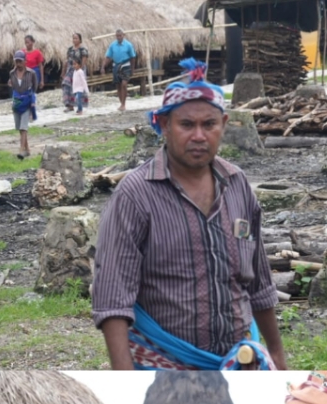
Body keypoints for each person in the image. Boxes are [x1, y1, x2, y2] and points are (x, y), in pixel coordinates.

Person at [93, 59, 286, 371]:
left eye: (209, 125)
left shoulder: (238, 185)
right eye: (186, 125)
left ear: (223, 124)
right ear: (164, 125)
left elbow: (260, 284)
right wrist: (124, 375)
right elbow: (113, 298)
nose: (199, 136)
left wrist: (276, 355)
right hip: (164, 363)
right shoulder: (136, 194)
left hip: (241, 362)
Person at [9, 50, 38, 160]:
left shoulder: (31, 73)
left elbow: (35, 87)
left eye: (20, 61)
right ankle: (28, 149)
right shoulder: (11, 73)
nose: (18, 64)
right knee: (19, 128)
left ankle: (21, 150)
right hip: (16, 102)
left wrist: (30, 98)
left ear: (25, 61)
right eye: (16, 61)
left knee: (24, 127)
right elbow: (12, 86)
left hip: (27, 102)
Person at [103, 29, 137, 110]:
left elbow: (133, 57)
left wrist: (132, 69)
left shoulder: (128, 45)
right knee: (118, 85)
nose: (119, 37)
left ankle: (124, 104)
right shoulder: (112, 45)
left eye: (120, 35)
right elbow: (108, 57)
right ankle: (121, 103)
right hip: (116, 66)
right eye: (117, 36)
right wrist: (103, 67)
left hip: (126, 65)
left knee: (124, 84)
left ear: (123, 35)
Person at [61, 34, 88, 110]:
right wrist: (63, 71)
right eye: (73, 38)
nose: (74, 40)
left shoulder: (83, 50)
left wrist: (80, 72)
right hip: (70, 70)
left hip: (78, 70)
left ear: (80, 40)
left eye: (76, 38)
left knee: (77, 87)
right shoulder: (70, 49)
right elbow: (67, 60)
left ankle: (79, 105)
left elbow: (83, 62)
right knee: (66, 85)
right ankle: (69, 105)